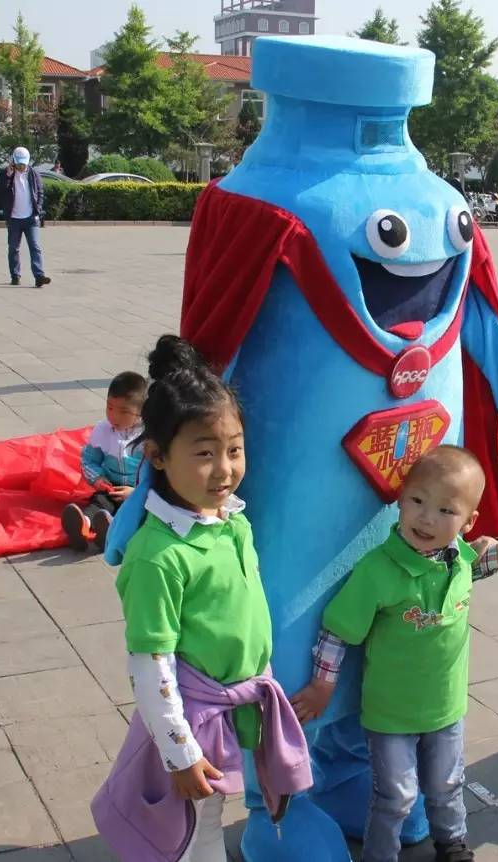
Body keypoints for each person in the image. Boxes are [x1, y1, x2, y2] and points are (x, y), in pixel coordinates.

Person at [92, 335, 310, 862]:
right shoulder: (158, 556)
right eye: (205, 453)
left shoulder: (232, 521)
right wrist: (179, 750)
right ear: (157, 456)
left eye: (234, 449)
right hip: (193, 716)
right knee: (194, 826)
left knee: (208, 816)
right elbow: (150, 661)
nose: (225, 468)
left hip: (233, 706)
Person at [289, 446, 498, 862]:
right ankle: (380, 855)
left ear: (468, 522)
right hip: (391, 715)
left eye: (445, 510)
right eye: (417, 500)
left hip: (446, 707)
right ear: (400, 500)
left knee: (446, 785)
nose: (427, 518)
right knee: (395, 796)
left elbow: (472, 567)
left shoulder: (456, 557)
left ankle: (452, 844)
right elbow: (338, 630)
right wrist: (322, 685)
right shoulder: (377, 570)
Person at [62, 370, 147, 552]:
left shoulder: (149, 437)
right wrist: (98, 478)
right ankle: (84, 524)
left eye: (124, 411)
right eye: (109, 407)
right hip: (110, 488)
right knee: (99, 502)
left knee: (133, 511)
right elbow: (88, 460)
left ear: (141, 413)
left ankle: (109, 532)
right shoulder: (103, 430)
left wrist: (138, 492)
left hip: (137, 492)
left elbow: (159, 472)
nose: (114, 416)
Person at [0, 146, 50, 288]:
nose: (21, 166)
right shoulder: (6, 174)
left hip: (31, 218)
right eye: (18, 164)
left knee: (35, 247)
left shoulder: (34, 174)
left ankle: (39, 276)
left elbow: (40, 192)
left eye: (23, 164)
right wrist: (7, 176)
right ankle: (15, 276)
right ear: (14, 161)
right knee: (14, 248)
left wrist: (38, 209)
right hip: (14, 218)